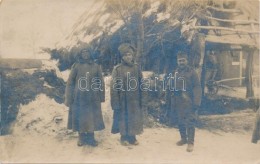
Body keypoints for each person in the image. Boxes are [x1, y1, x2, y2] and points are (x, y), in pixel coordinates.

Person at [64, 47, 105, 147]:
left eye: (87, 52)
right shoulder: (76, 66)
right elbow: (70, 83)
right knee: (80, 116)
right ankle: (81, 137)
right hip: (79, 97)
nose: (85, 54)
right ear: (80, 54)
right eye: (83, 52)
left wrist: (101, 95)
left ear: (90, 53)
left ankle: (91, 137)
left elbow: (101, 82)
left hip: (93, 97)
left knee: (91, 117)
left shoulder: (96, 66)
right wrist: (69, 97)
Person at [168, 52, 202, 152]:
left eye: (183, 60)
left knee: (190, 121)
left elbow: (197, 87)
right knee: (180, 120)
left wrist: (196, 102)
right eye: (179, 61)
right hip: (178, 100)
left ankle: (190, 143)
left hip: (188, 100)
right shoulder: (175, 72)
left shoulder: (192, 72)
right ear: (177, 62)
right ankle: (183, 139)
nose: (181, 62)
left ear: (187, 61)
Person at [110, 43, 143, 146]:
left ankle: (132, 137)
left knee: (133, 117)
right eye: (126, 55)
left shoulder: (137, 68)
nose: (129, 57)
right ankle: (123, 137)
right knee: (123, 118)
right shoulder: (117, 69)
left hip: (134, 99)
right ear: (122, 57)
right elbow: (114, 87)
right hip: (122, 100)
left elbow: (142, 84)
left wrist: (143, 99)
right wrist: (115, 102)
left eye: (130, 55)